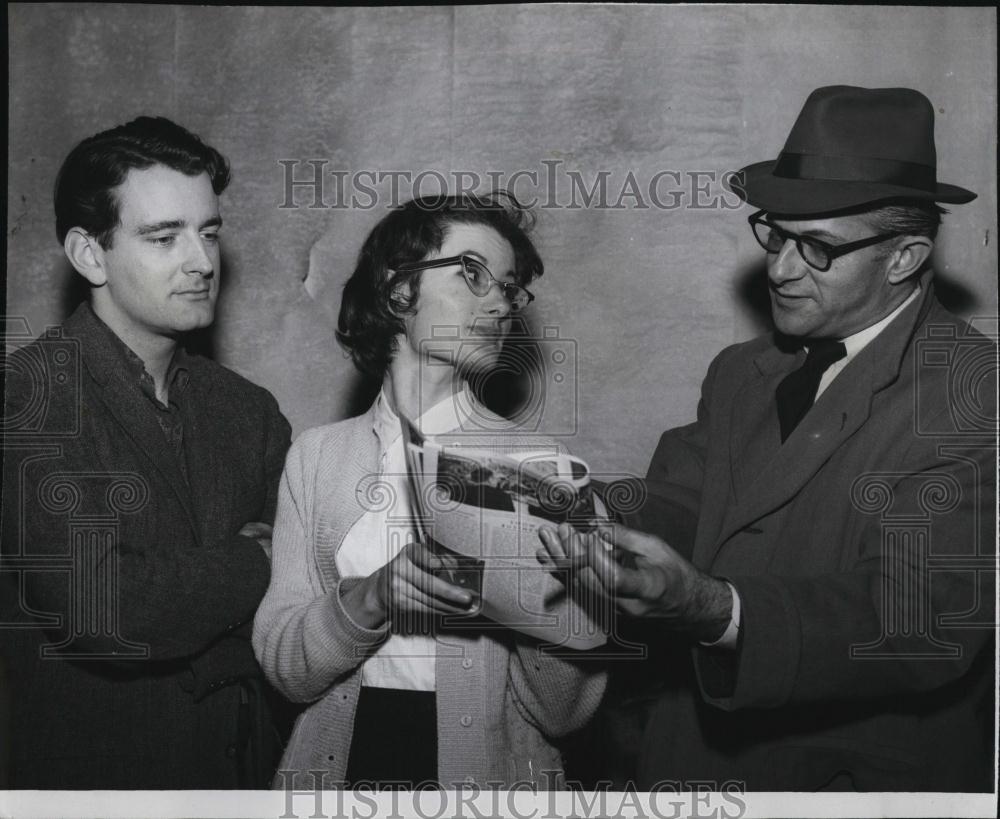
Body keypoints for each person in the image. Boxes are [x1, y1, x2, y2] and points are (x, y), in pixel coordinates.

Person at [538, 86, 996, 791]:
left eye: (816, 247)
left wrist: (715, 607)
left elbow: (918, 622)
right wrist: (574, 506)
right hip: (690, 769)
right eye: (776, 234)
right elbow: (684, 504)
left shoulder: (972, 388)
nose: (780, 269)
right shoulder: (741, 371)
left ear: (905, 257)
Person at [253, 192, 606, 790]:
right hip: (336, 774)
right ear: (399, 289)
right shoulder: (316, 457)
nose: (499, 301)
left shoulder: (544, 469)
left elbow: (564, 714)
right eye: (473, 273)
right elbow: (286, 669)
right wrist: (368, 600)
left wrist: (560, 601)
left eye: (509, 287)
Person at [0, 116, 292, 788]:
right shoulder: (29, 396)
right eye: (165, 237)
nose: (203, 261)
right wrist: (255, 558)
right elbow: (104, 607)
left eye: (209, 232)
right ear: (89, 254)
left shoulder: (249, 410)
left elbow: (300, 604)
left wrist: (187, 595)